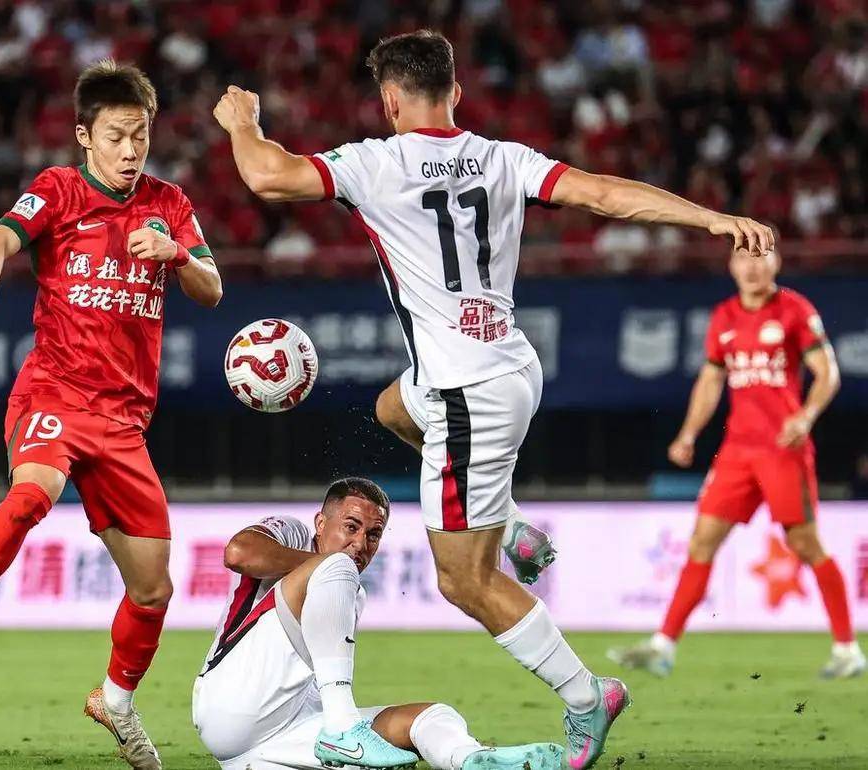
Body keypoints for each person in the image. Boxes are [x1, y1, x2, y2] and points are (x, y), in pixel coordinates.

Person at [212, 29, 775, 769]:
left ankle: (587, 696)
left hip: (466, 391)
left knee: (463, 580)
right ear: (456, 93)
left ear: (389, 100)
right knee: (391, 408)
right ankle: (507, 522)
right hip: (504, 366)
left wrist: (242, 124)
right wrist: (709, 218)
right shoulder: (506, 158)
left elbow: (267, 176)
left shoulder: (374, 162)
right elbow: (604, 194)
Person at [0, 60, 223, 770]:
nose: (131, 150)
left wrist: (175, 254)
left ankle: (116, 701)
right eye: (116, 137)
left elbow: (212, 288)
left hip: (124, 423)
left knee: (154, 589)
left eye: (140, 135)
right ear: (84, 137)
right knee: (30, 497)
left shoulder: (169, 202)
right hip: (55, 393)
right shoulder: (58, 190)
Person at [608, 246, 863, 679]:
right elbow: (711, 380)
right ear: (731, 265)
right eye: (744, 257)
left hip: (783, 449)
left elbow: (828, 373)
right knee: (701, 542)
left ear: (776, 263)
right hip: (737, 452)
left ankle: (847, 649)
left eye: (762, 257)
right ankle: (663, 646)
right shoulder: (724, 316)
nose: (752, 266)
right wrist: (688, 433)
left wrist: (805, 417)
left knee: (806, 545)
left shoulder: (795, 310)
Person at [193, 477, 565, 770]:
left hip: (279, 735)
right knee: (336, 567)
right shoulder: (295, 535)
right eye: (350, 527)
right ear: (320, 523)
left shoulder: (351, 592)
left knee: (431, 716)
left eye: (373, 535)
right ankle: (343, 730)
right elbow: (237, 553)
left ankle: (470, 758)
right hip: (230, 701)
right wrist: (325, 564)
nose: (360, 543)